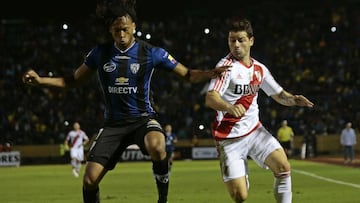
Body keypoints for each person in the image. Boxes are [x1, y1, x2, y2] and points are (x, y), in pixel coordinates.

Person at [22, 0, 229, 202]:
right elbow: (72, 81)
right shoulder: (100, 53)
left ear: (134, 27)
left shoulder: (151, 52)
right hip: (113, 125)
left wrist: (211, 73)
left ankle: (162, 198)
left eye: (125, 29)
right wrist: (41, 81)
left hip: (143, 120)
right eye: (116, 30)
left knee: (157, 146)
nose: (121, 34)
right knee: (89, 180)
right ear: (110, 30)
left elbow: (188, 74)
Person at [205, 18, 314, 203]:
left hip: (255, 132)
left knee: (283, 166)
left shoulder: (259, 69)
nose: (236, 45)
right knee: (240, 196)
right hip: (229, 138)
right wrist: (229, 107)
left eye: (241, 40)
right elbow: (210, 97)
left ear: (251, 41)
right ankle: (240, 174)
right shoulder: (225, 67)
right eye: (232, 40)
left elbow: (279, 94)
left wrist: (294, 100)